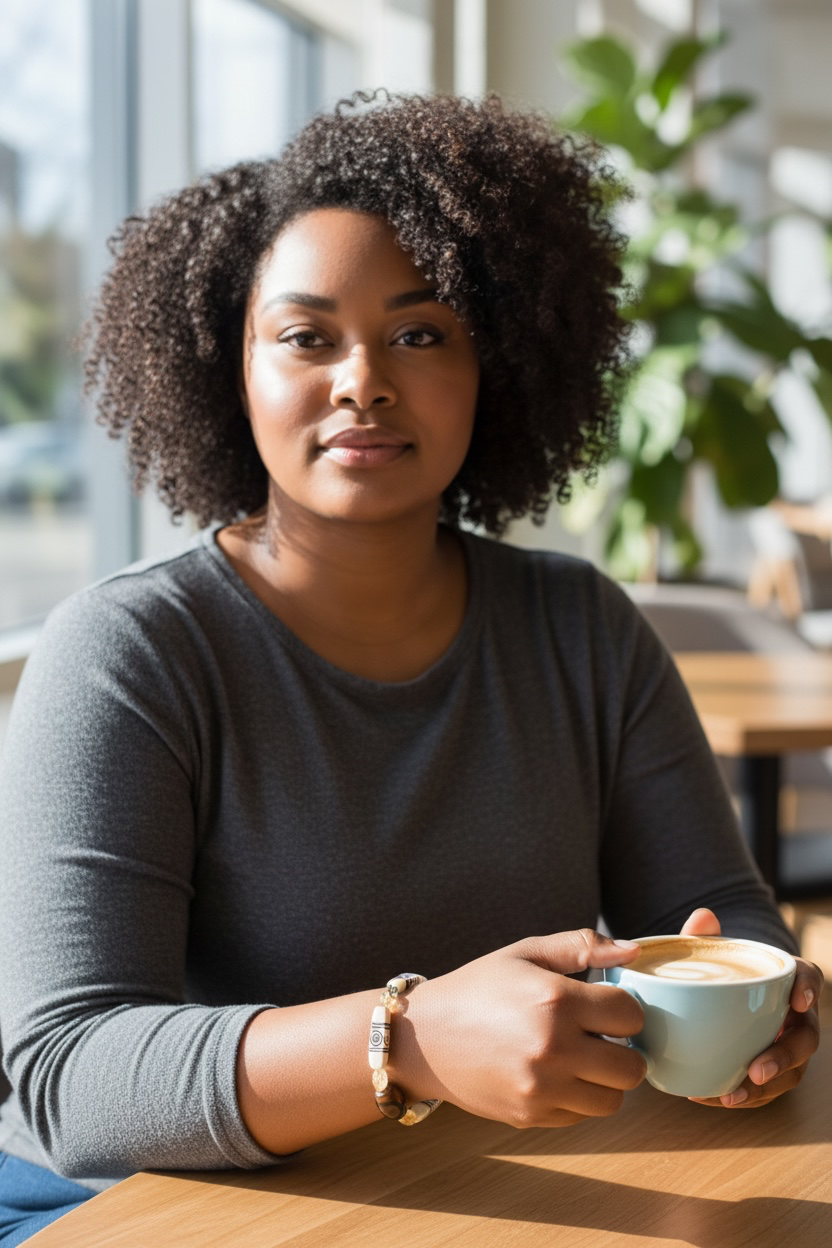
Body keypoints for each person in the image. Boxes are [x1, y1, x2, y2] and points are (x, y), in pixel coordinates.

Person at [0, 90, 821, 1243]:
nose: (363, 380)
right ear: (230, 370)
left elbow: (715, 912)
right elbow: (70, 1076)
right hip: (140, 1211)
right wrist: (411, 1041)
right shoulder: (130, 652)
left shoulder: (580, 626)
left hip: (478, 1194)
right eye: (305, 337)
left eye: (421, 334)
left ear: (498, 366)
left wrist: (767, 1001)